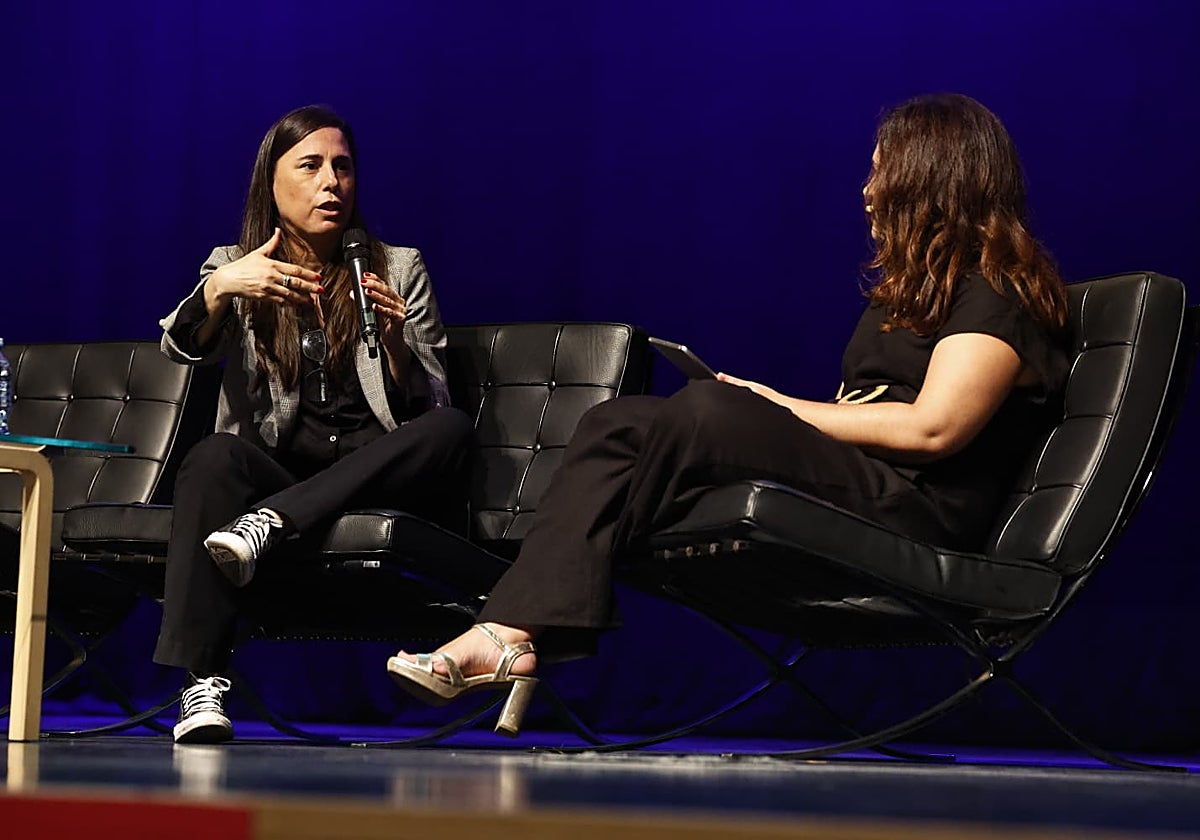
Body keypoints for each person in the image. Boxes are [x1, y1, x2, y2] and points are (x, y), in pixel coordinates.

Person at [385, 93, 1071, 737]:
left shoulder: (996, 292)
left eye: (880, 174)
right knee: (613, 423)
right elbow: (860, 415)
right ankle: (515, 627)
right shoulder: (907, 299)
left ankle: (520, 621)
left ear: (933, 181)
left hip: (921, 512)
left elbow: (933, 428)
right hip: (869, 480)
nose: (866, 193)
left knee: (712, 407)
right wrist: (786, 415)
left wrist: (776, 408)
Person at [155, 105, 474, 744]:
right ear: (271, 185)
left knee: (454, 428)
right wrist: (219, 290)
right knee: (213, 457)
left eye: (343, 167)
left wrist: (396, 346)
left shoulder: (399, 266)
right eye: (311, 166)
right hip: (280, 468)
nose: (333, 182)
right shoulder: (234, 264)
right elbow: (179, 350)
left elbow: (431, 403)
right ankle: (203, 686)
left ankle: (273, 523)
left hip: (373, 473)